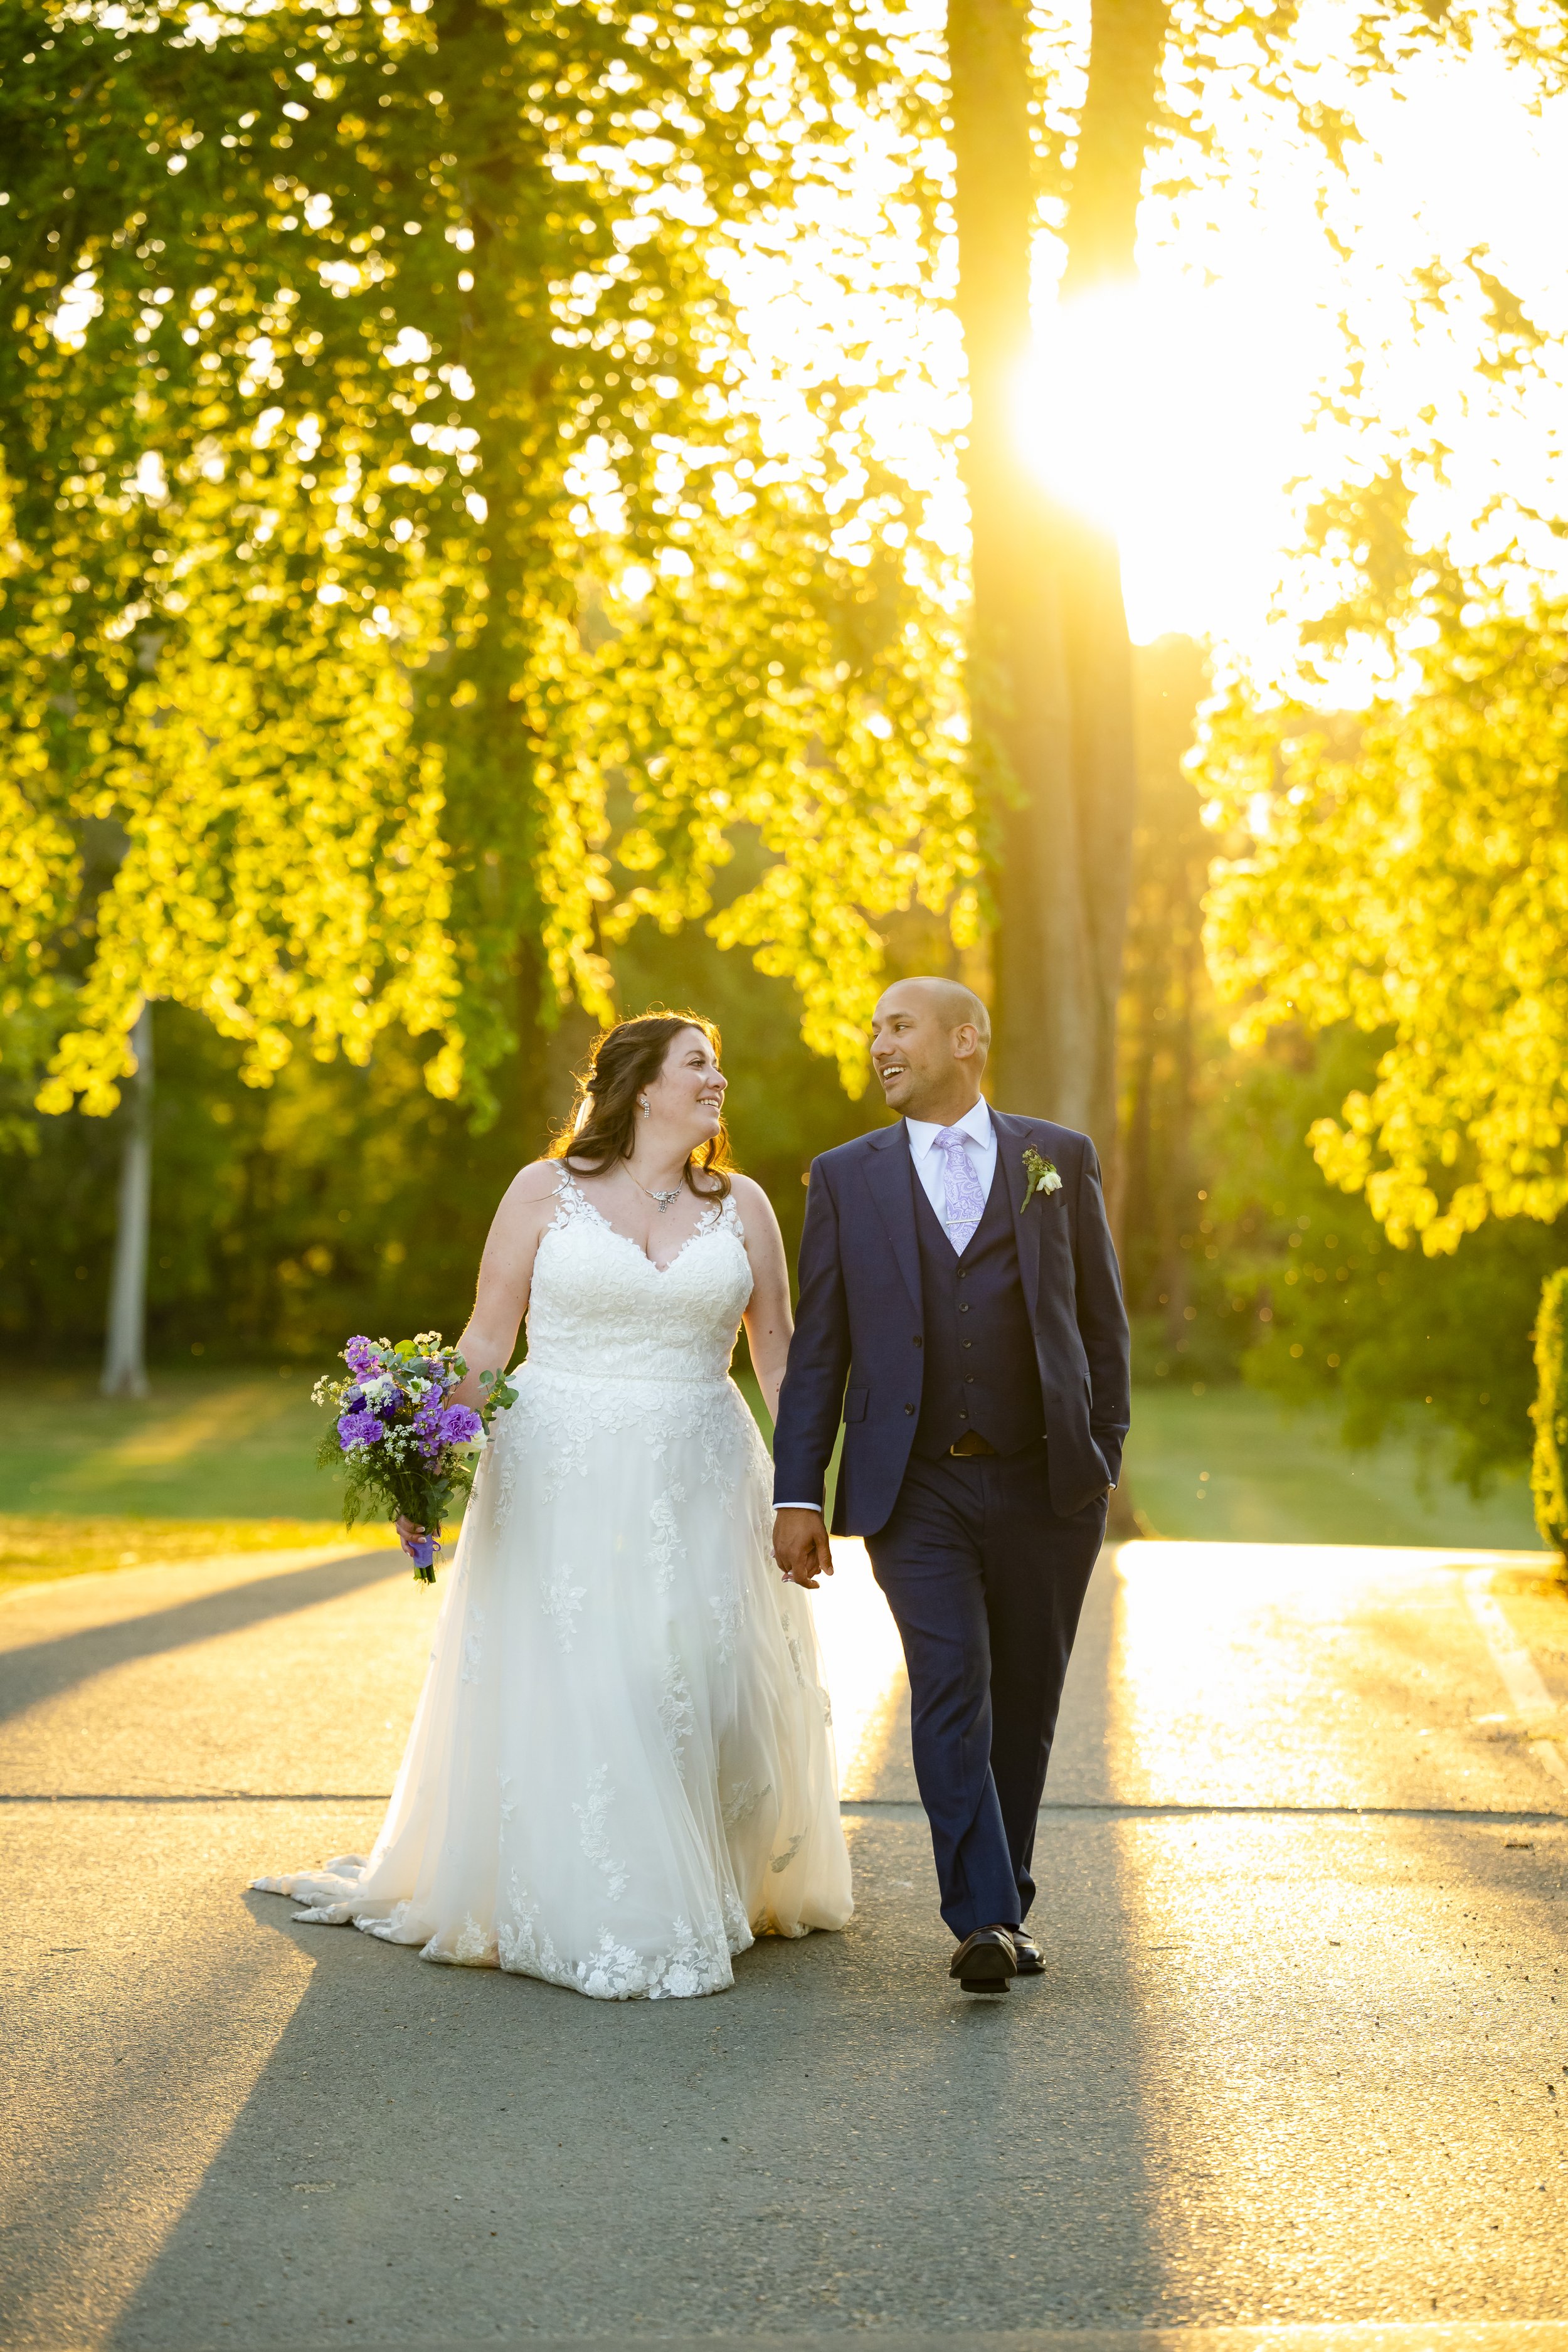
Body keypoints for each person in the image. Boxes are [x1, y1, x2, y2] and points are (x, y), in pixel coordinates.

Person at [254, 1012, 851, 2000]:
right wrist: (428, 1458)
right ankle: (611, 1900)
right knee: (593, 1674)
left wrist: (803, 1488)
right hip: (561, 1466)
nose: (718, 1079)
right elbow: (490, 1340)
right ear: (641, 1086)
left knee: (692, 1672)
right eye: (698, 1063)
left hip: (704, 1467)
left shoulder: (742, 1205)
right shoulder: (542, 1192)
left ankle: (714, 1873)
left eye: (717, 1063)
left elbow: (779, 1352)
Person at [771, 977, 1129, 1993]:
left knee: (1026, 1699)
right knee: (950, 1682)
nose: (879, 1044)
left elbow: (1102, 1319)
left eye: (899, 1026)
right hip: (914, 1485)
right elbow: (822, 1350)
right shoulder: (845, 1177)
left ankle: (1002, 1901)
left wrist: (1103, 1448)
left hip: (1050, 1484)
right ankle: (978, 1916)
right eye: (875, 1028)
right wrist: (801, 1491)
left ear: (965, 1038)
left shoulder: (1056, 1159)